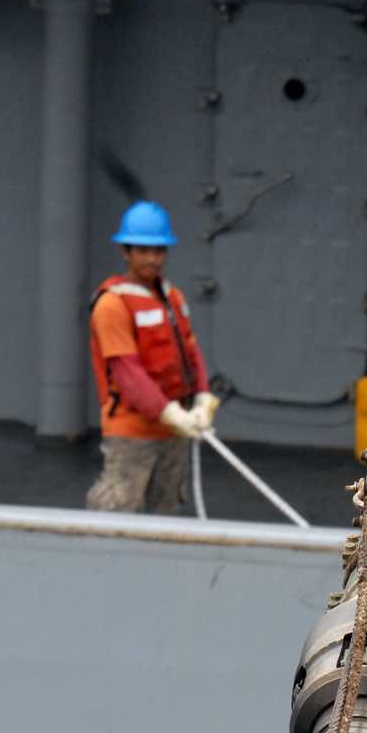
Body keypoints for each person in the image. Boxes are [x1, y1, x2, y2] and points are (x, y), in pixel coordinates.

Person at [87, 202, 219, 514]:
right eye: (143, 251)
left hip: (174, 433)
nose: (152, 259)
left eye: (159, 251)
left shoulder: (173, 298)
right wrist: (171, 413)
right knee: (117, 514)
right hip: (132, 432)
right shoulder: (112, 305)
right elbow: (128, 373)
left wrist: (203, 397)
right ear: (126, 251)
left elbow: (191, 351)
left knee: (166, 515)